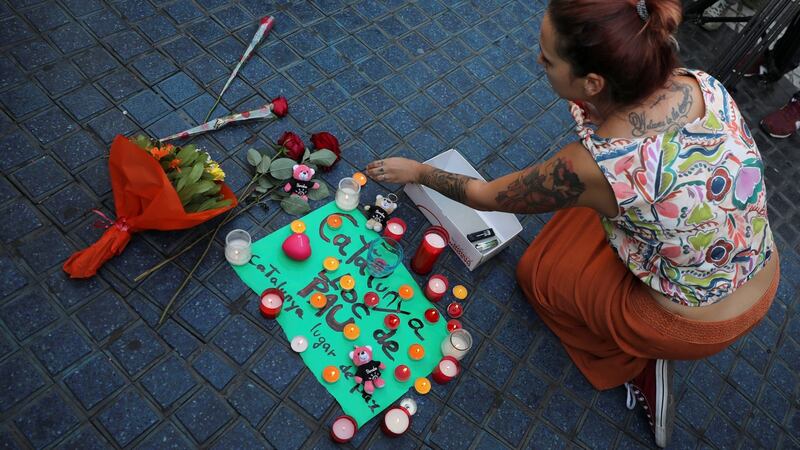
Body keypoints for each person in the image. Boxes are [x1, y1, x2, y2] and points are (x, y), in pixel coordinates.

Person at [366, 0, 780, 447]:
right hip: (757, 264)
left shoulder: (595, 165)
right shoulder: (702, 83)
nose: (537, 62)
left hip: (698, 319)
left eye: (547, 58)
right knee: (587, 211)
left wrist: (417, 171)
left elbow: (486, 196)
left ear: (594, 82)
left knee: (538, 276)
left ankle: (637, 361)